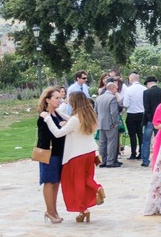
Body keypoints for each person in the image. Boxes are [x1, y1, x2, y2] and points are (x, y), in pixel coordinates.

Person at [41, 92, 103, 223]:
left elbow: (58, 133)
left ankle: (82, 208)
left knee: (75, 182)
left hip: (76, 154)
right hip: (90, 152)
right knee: (87, 177)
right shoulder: (89, 116)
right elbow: (72, 120)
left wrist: (47, 118)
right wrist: (61, 116)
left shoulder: (75, 119)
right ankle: (97, 188)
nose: (65, 102)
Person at [35, 86, 67, 223]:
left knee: (56, 182)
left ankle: (54, 210)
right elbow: (46, 136)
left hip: (60, 152)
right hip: (49, 153)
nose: (60, 100)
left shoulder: (58, 113)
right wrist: (62, 126)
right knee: (49, 182)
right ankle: (50, 211)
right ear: (48, 100)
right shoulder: (44, 116)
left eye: (60, 98)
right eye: (56, 98)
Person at [95, 82, 121, 168]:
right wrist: (115, 123)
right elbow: (113, 112)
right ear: (112, 88)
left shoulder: (98, 98)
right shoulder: (112, 98)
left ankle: (101, 161)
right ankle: (110, 161)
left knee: (102, 143)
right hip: (110, 124)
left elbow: (95, 111)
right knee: (111, 143)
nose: (116, 91)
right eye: (116, 89)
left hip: (101, 123)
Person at [121, 72, 146, 161]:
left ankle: (133, 153)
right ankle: (142, 153)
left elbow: (126, 104)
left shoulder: (129, 90)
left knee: (132, 135)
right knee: (140, 134)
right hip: (142, 114)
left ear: (131, 79)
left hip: (131, 114)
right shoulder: (144, 89)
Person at [141, 76, 161, 167]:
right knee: (160, 140)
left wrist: (150, 118)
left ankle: (145, 160)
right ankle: (159, 158)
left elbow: (147, 107)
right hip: (160, 120)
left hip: (150, 119)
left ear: (148, 84)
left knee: (146, 141)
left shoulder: (146, 92)